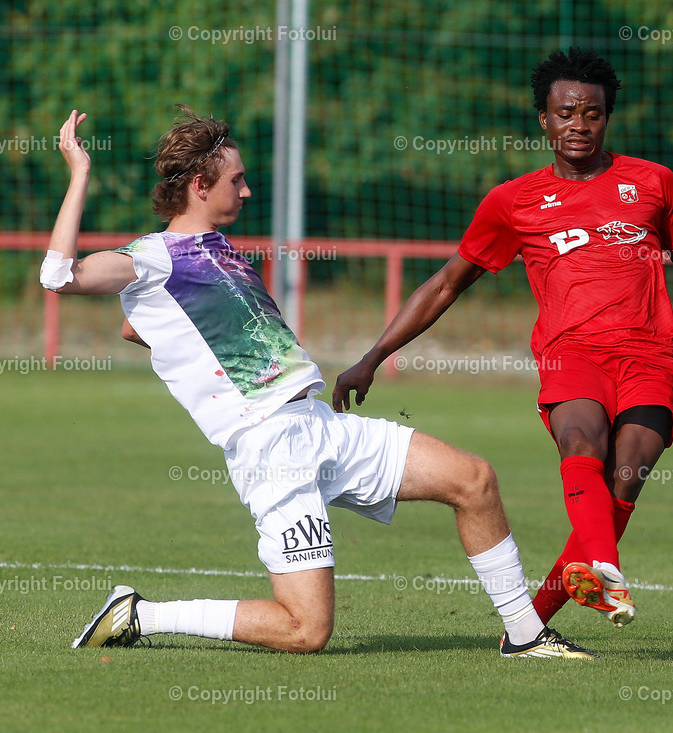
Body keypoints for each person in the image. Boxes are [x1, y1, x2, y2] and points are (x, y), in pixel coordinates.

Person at [43, 106, 593, 659]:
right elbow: (60, 276)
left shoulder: (215, 250)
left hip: (320, 425)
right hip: (271, 448)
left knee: (474, 481)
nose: (248, 190)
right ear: (200, 186)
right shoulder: (151, 257)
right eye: (237, 180)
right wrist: (80, 174)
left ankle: (526, 635)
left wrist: (187, 349)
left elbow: (137, 326)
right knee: (306, 631)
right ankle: (140, 615)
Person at [333, 49, 673, 630]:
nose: (578, 125)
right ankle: (605, 570)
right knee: (581, 444)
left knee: (627, 475)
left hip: (649, 355)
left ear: (607, 117)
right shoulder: (513, 201)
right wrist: (373, 356)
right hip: (571, 355)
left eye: (591, 113)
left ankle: (536, 619)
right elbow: (445, 285)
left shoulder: (653, 182)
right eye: (565, 113)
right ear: (544, 118)